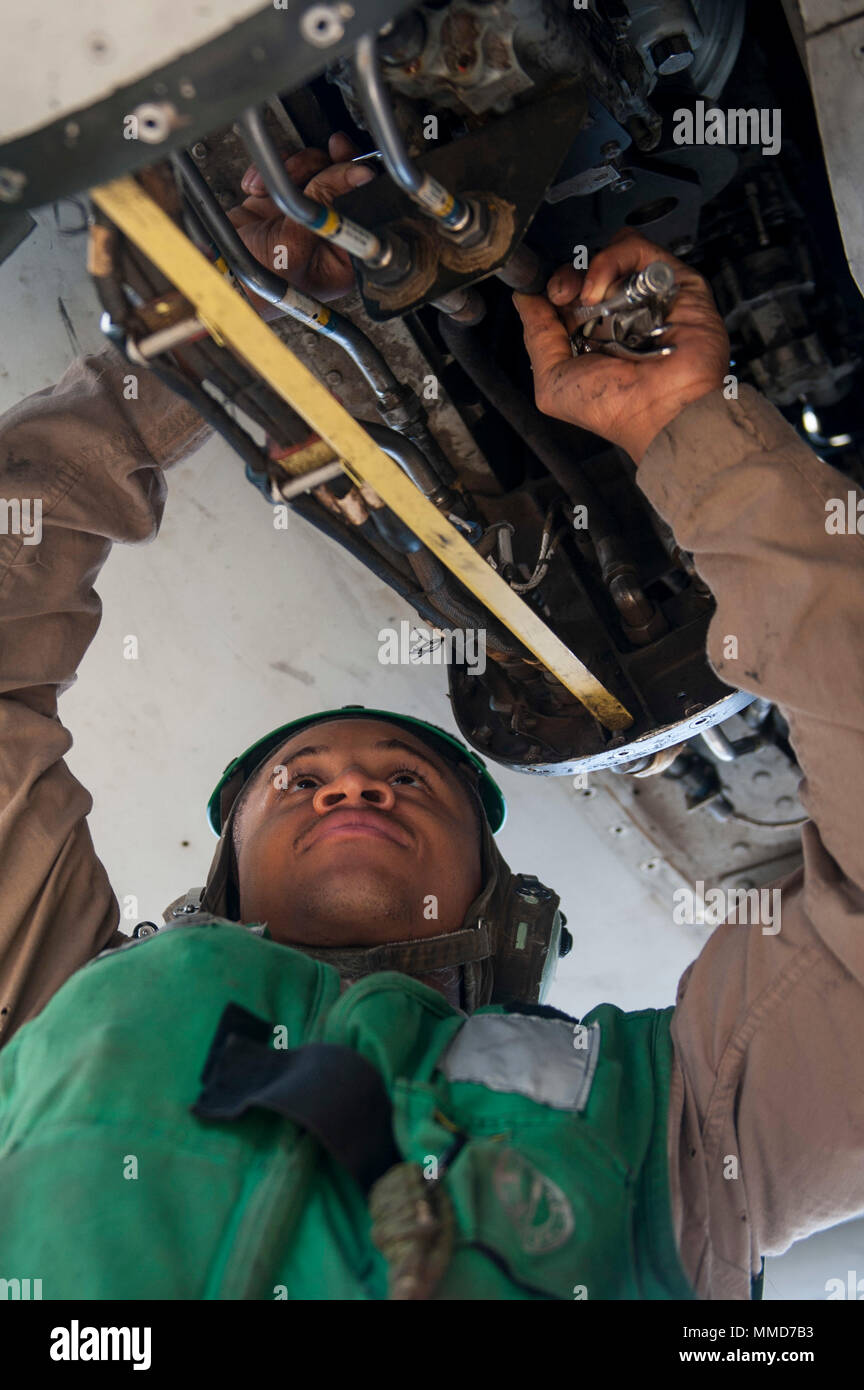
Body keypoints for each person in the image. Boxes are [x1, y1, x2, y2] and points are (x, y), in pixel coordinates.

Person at [0, 134, 862, 1302]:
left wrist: (213, 341)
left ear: (497, 901)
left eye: (409, 781)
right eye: (297, 783)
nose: (350, 787)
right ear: (217, 886)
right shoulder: (50, 1004)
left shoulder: (688, 1133)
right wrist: (687, 430)